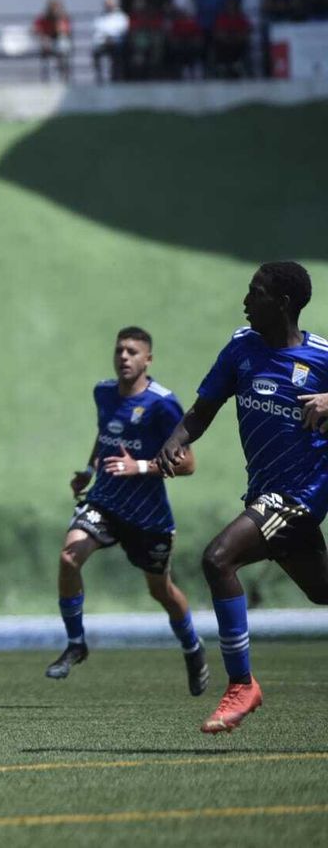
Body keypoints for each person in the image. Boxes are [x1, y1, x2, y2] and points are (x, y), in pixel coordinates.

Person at [157, 262, 328, 734]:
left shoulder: (321, 357)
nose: (245, 300)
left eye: (255, 292)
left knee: (218, 558)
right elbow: (204, 408)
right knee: (321, 592)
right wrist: (177, 439)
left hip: (301, 495)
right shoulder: (241, 349)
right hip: (265, 494)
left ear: (283, 302)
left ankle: (242, 685)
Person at [43, 327, 206, 693]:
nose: (124, 357)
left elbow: (189, 464)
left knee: (161, 591)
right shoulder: (103, 392)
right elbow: (106, 437)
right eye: (119, 350)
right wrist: (88, 471)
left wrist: (141, 467)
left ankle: (193, 648)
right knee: (69, 558)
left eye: (133, 351)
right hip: (106, 501)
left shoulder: (163, 404)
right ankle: (75, 643)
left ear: (148, 359)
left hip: (149, 518)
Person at [210, 0, 253, 78]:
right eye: (229, 6)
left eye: (233, 6)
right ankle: (223, 67)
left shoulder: (241, 18)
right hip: (224, 45)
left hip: (238, 45)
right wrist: (227, 37)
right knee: (219, 45)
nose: (231, 8)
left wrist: (237, 36)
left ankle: (238, 65)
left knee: (242, 44)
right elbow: (217, 32)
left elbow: (247, 30)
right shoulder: (222, 18)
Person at [32, 0, 72, 82]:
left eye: (56, 7)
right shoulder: (43, 18)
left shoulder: (63, 18)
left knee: (63, 45)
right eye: (52, 7)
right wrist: (43, 37)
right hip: (47, 42)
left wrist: (58, 21)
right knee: (46, 49)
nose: (54, 9)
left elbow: (65, 31)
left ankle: (64, 77)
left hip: (60, 41)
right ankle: (46, 79)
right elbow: (35, 29)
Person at [91, 0, 128, 84]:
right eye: (107, 3)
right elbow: (97, 29)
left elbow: (122, 30)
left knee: (117, 50)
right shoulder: (100, 17)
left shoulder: (121, 17)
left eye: (110, 3)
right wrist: (105, 38)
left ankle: (116, 78)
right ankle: (100, 78)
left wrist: (111, 37)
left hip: (116, 42)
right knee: (96, 52)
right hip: (103, 42)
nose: (108, 5)